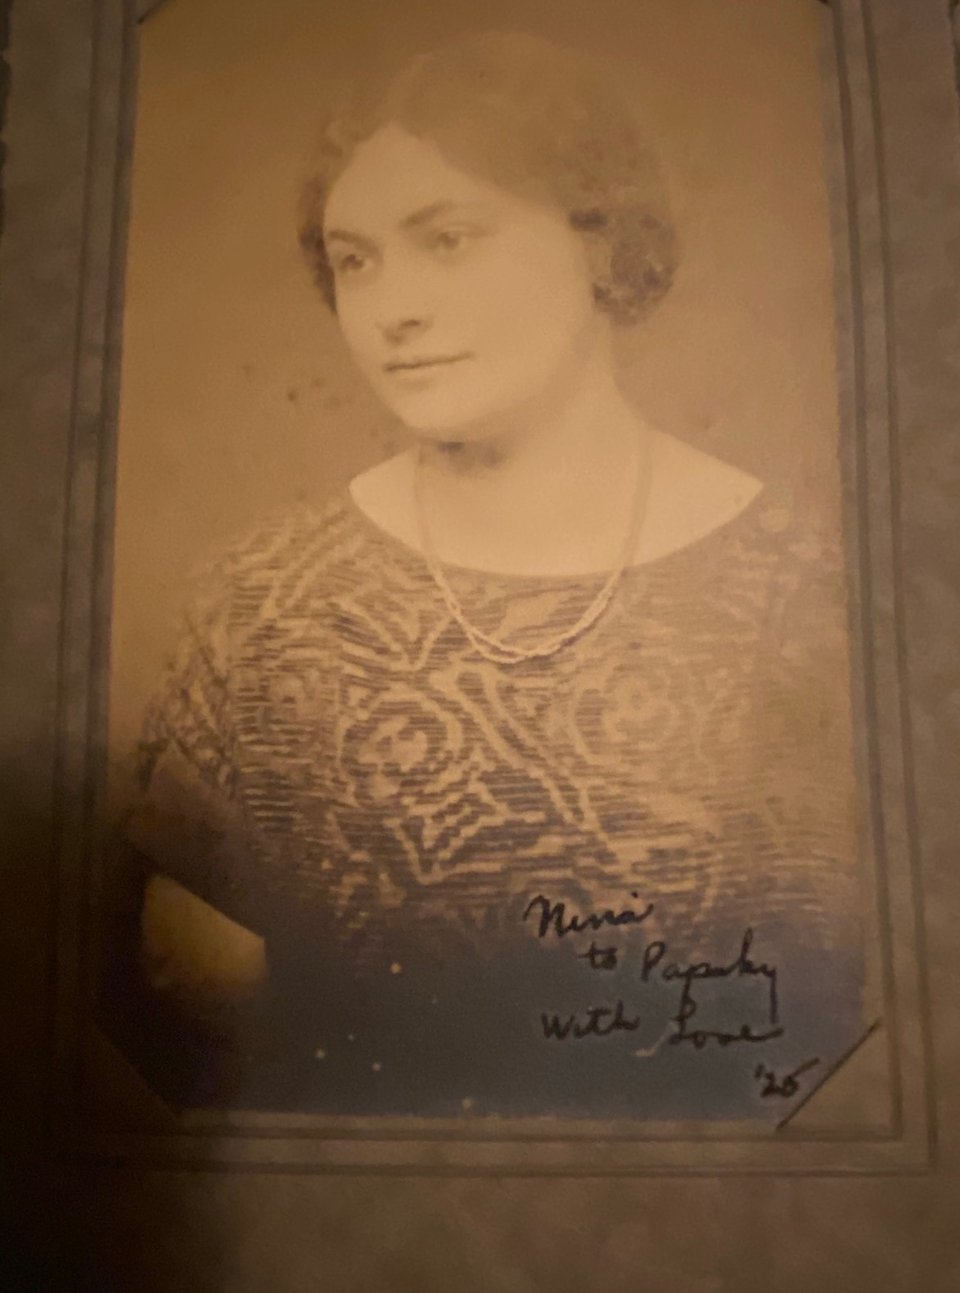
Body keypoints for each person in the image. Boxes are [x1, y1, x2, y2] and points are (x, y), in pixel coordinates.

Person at [99, 30, 864, 1119]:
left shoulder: (810, 588)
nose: (388, 307)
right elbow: (184, 1002)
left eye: (448, 239)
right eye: (354, 259)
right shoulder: (264, 598)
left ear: (600, 244)